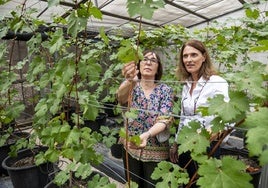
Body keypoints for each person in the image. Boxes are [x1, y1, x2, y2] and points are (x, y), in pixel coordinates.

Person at [169, 39, 230, 187]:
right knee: (186, 182)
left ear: (204, 57)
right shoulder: (186, 84)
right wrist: (176, 143)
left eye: (194, 55)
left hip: (206, 145)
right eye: (185, 56)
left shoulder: (217, 82)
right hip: (186, 143)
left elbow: (228, 116)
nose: (189, 60)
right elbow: (184, 118)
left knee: (202, 184)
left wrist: (213, 132)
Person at [116, 49, 174, 188]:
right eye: (145, 59)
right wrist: (130, 80)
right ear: (139, 65)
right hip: (130, 146)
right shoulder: (131, 86)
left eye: (153, 60)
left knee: (152, 185)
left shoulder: (165, 90)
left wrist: (146, 135)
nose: (148, 62)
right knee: (133, 184)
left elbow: (164, 119)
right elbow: (120, 97)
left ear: (158, 67)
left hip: (156, 151)